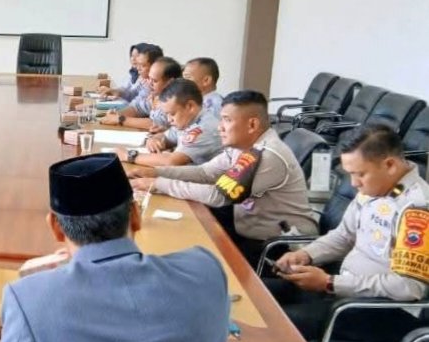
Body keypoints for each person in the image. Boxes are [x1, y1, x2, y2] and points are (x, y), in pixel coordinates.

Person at [0, 154, 242, 342]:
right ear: (135, 216)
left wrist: (42, 284)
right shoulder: (205, 270)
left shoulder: (29, 299)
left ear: (56, 228)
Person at [250, 124, 429, 342]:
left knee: (280, 327)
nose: (354, 183)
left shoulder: (417, 209)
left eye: (359, 174)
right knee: (256, 297)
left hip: (382, 311)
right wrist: (306, 254)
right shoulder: (374, 187)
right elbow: (343, 236)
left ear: (390, 164)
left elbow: (408, 288)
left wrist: (330, 284)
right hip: (345, 293)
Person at [126, 90, 318, 267]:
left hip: (279, 245)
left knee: (194, 259)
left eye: (226, 120)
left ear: (252, 124)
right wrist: (156, 173)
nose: (220, 127)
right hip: (246, 224)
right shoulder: (242, 146)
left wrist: (158, 184)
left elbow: (218, 196)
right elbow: (205, 173)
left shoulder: (267, 155)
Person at [119, 79, 221, 167]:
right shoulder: (188, 120)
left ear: (190, 106)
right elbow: (166, 137)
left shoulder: (203, 128)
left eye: (172, 114)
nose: (169, 120)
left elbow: (172, 161)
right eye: (166, 114)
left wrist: (129, 156)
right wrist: (153, 139)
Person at [100, 54, 181, 131]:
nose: (150, 83)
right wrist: (117, 114)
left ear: (169, 82)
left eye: (155, 81)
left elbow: (156, 123)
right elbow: (137, 108)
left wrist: (120, 119)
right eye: (149, 78)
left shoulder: (174, 100)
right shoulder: (156, 96)